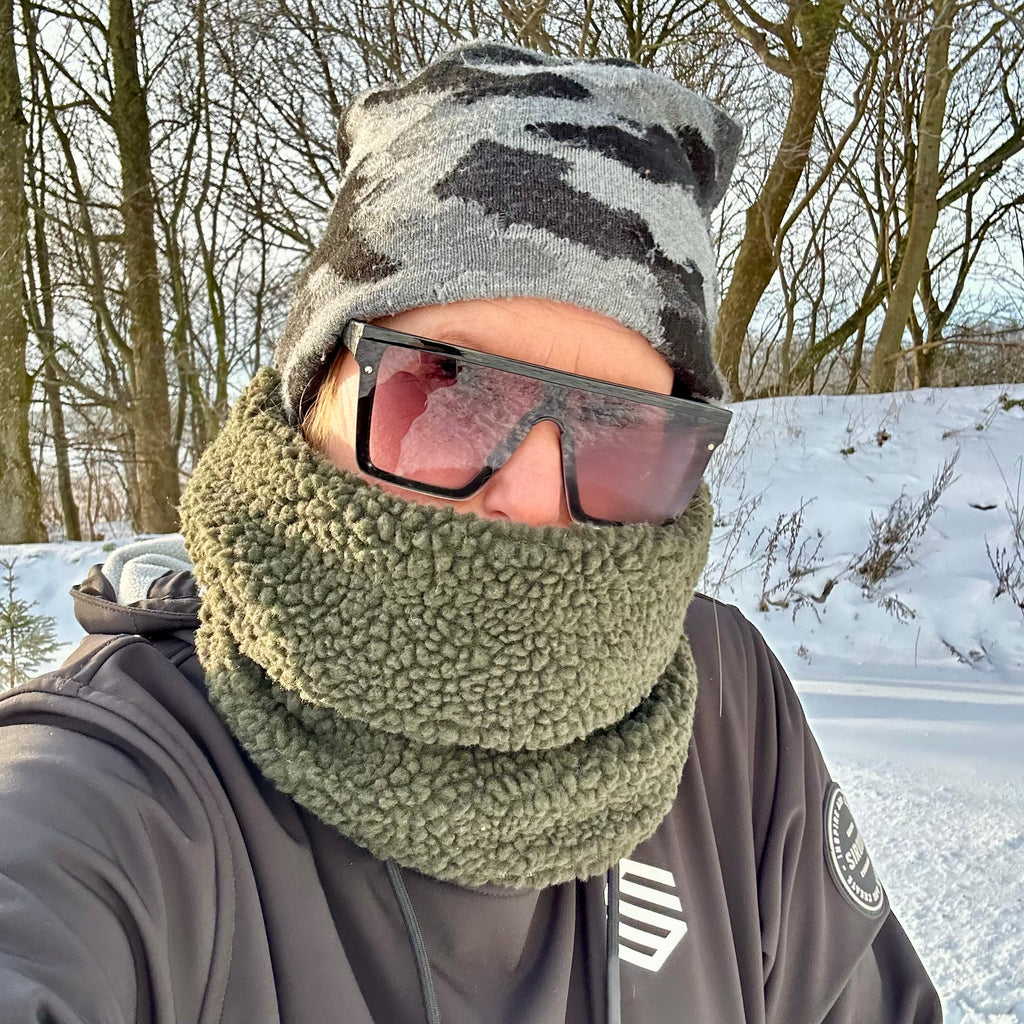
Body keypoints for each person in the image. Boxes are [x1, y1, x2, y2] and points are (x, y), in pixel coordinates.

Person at [0, 41, 941, 1024]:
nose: (531, 504)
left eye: (620, 435)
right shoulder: (112, 803)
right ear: (310, 394)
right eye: (442, 391)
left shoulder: (726, 704)